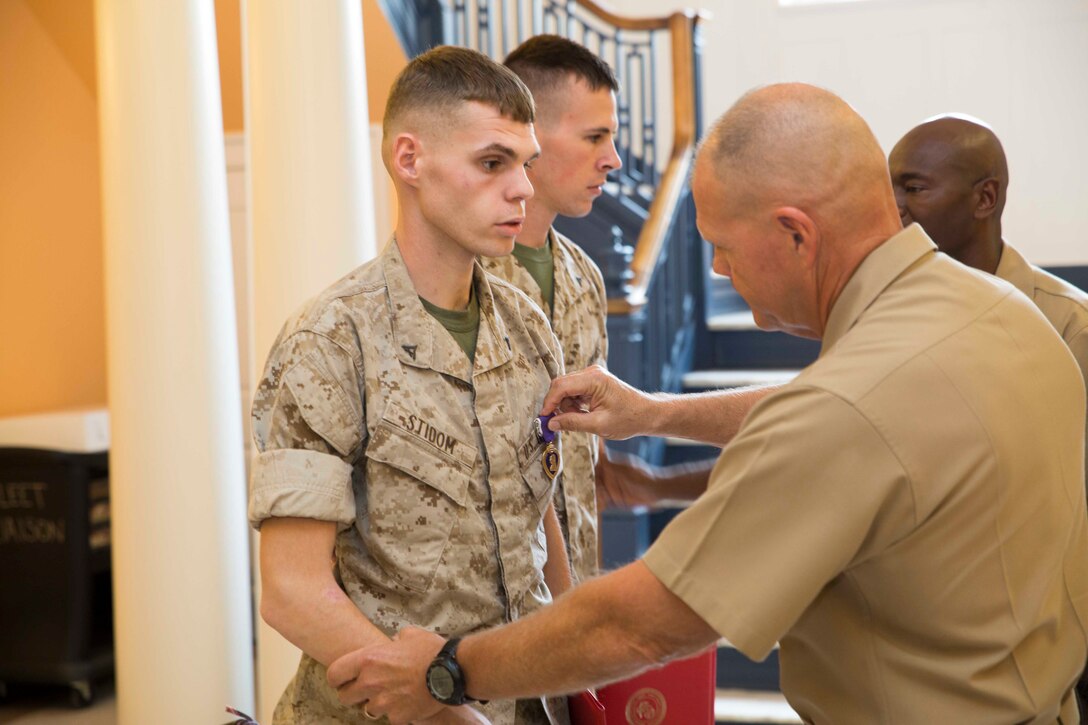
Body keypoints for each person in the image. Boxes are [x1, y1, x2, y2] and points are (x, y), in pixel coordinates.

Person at [325, 83, 1088, 724]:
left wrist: (450, 668)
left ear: (796, 234)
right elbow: (844, 415)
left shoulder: (853, 410)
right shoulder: (998, 310)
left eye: (722, 246)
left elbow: (643, 619)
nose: (719, 268)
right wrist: (653, 412)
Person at [248, 46, 574, 725]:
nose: (522, 188)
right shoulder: (331, 340)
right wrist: (441, 702)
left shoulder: (528, 327)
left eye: (526, 164)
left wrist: (577, 667)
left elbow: (540, 518)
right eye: (493, 162)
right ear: (409, 160)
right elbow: (291, 588)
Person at [890, 110, 1088, 715]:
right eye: (889, 187)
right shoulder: (888, 325)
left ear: (986, 198)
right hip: (945, 642)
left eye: (914, 187)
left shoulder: (1072, 328)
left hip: (1058, 636)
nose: (893, 207)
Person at [477, 35, 617, 583]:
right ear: (530, 135)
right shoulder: (465, 276)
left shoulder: (585, 275)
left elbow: (585, 459)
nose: (613, 158)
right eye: (594, 137)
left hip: (574, 590)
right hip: (495, 597)